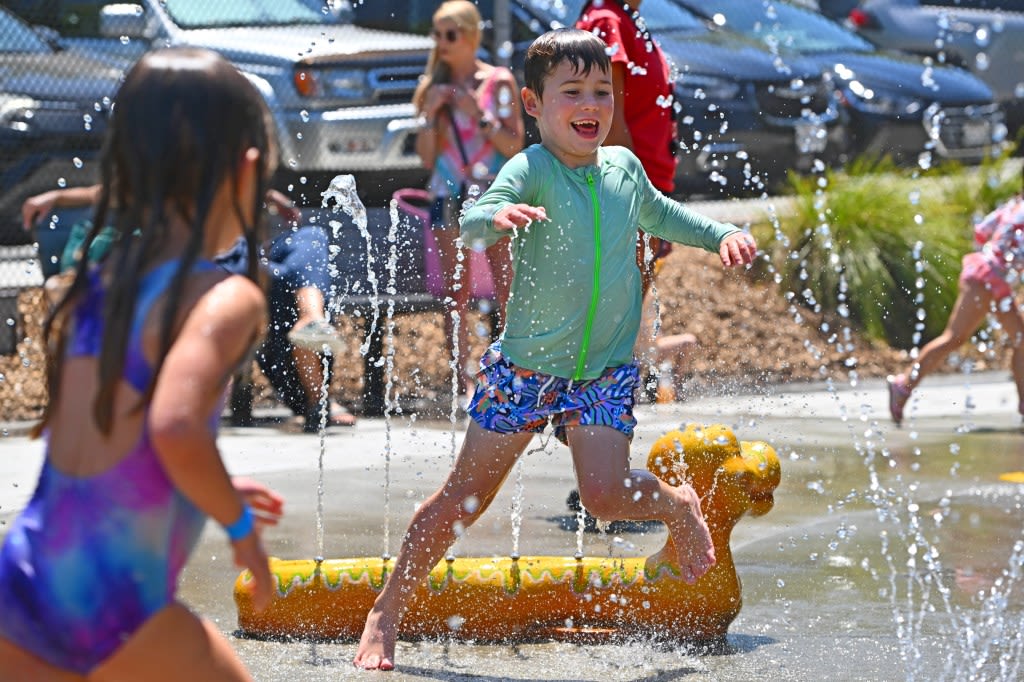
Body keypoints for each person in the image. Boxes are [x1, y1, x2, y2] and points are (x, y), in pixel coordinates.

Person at [354, 28, 758, 671]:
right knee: (464, 498)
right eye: (571, 92)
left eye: (601, 90)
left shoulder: (623, 168)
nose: (589, 103)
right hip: (525, 369)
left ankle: (679, 507)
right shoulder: (532, 169)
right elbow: (479, 215)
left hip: (603, 371)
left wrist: (723, 233)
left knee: (604, 497)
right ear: (534, 105)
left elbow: (666, 215)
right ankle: (387, 610)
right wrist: (498, 218)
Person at [0, 47, 284, 680]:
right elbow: (176, 428)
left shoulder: (95, 285)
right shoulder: (223, 296)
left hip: (20, 581)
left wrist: (186, 482)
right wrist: (240, 528)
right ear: (247, 169)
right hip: (111, 608)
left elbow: (107, 440)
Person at [22, 189, 356, 432]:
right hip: (223, 265)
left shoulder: (214, 166)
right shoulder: (166, 178)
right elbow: (106, 192)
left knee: (310, 238)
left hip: (253, 258)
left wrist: (266, 195)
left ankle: (311, 321)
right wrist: (56, 198)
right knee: (281, 281)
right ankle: (315, 363)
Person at [575, 0, 699, 396]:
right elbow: (606, 116)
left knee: (627, 296)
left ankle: (603, 396)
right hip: (633, 182)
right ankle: (597, 399)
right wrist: (633, 188)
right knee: (620, 298)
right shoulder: (608, 19)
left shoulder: (622, 17)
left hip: (647, 179)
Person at [412, 0, 525, 397]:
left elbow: (514, 145)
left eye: (450, 34)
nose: (442, 42)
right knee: (454, 291)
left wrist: (477, 113)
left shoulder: (499, 83)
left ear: (473, 35)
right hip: (448, 193)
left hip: (493, 194)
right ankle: (462, 373)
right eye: (437, 34)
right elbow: (426, 158)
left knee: (505, 282)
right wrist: (430, 115)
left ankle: (515, 367)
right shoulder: (432, 87)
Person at [887, 167, 1024, 426]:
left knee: (1022, 340)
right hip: (987, 280)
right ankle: (903, 385)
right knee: (954, 338)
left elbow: (981, 231)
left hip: (989, 277)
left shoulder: (1014, 205)